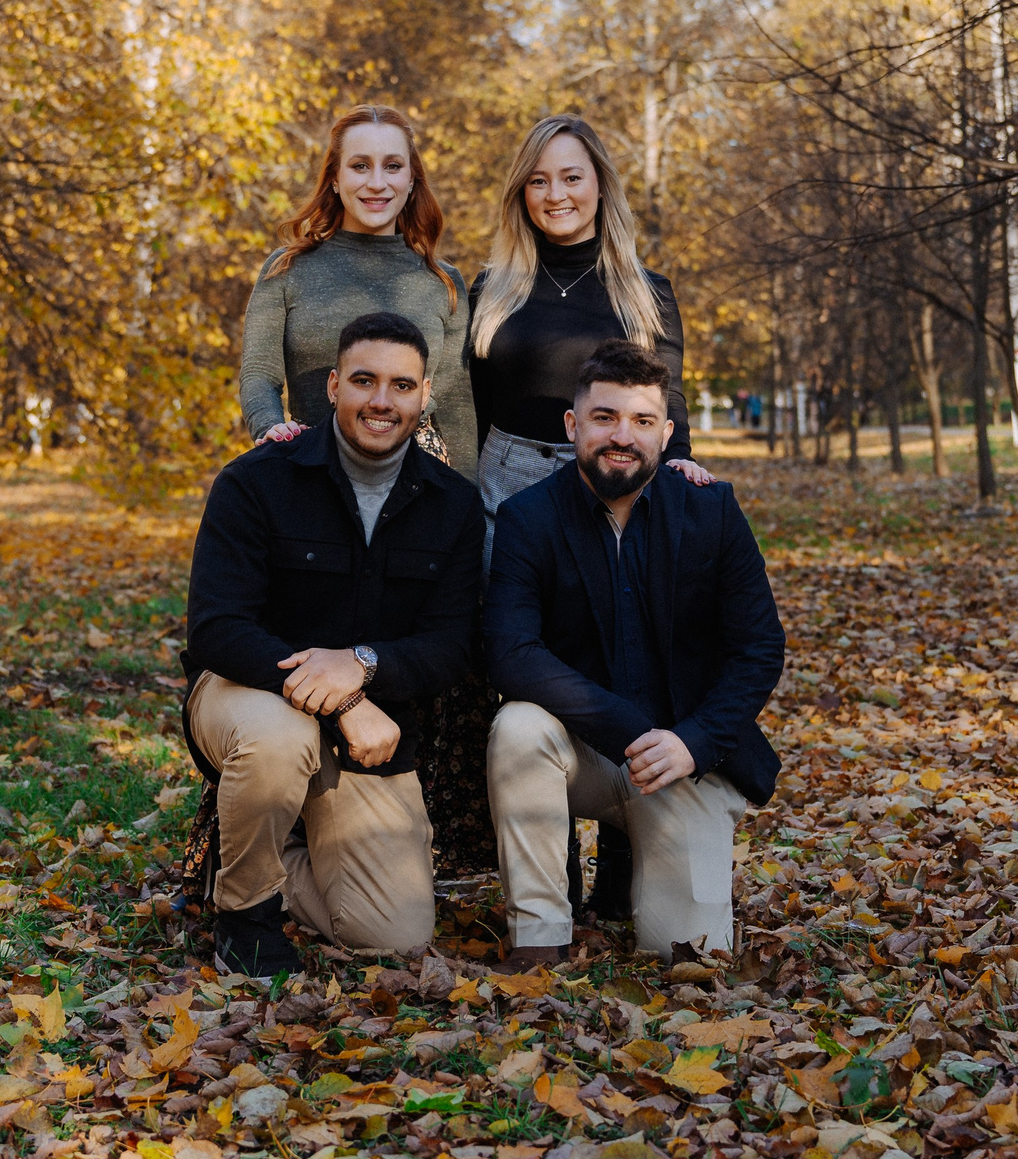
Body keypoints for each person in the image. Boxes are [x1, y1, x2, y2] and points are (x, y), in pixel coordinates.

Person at [181, 312, 487, 976]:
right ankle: (245, 914)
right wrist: (342, 701)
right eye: (364, 381)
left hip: (368, 723)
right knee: (279, 739)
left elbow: (451, 644)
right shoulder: (257, 480)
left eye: (401, 385)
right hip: (244, 692)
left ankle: (255, 852)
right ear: (331, 388)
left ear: (424, 395)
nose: (383, 400)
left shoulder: (453, 504)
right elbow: (216, 627)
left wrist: (365, 667)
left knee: (392, 933)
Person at [483, 340, 785, 968]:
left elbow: (758, 649)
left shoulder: (711, 512)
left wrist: (693, 741)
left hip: (682, 761)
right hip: (580, 753)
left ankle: (645, 868)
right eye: (604, 417)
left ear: (666, 432)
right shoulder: (526, 519)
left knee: (688, 956)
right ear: (573, 425)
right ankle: (540, 938)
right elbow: (513, 654)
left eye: (642, 422)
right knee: (517, 727)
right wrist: (633, 731)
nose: (622, 436)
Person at [466, 115, 714, 554]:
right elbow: (474, 404)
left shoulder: (648, 292)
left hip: (613, 482)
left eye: (571, 177)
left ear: (600, 184)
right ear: (522, 194)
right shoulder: (491, 289)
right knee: (507, 618)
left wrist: (678, 455)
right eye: (538, 181)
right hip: (502, 489)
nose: (555, 195)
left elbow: (667, 394)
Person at [241, 105, 477, 475]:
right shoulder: (287, 268)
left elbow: (455, 407)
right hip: (310, 465)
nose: (377, 182)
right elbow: (259, 373)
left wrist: (468, 506)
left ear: (412, 178)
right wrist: (272, 429)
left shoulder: (442, 281)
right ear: (335, 177)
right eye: (360, 166)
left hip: (414, 477)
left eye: (393, 166)